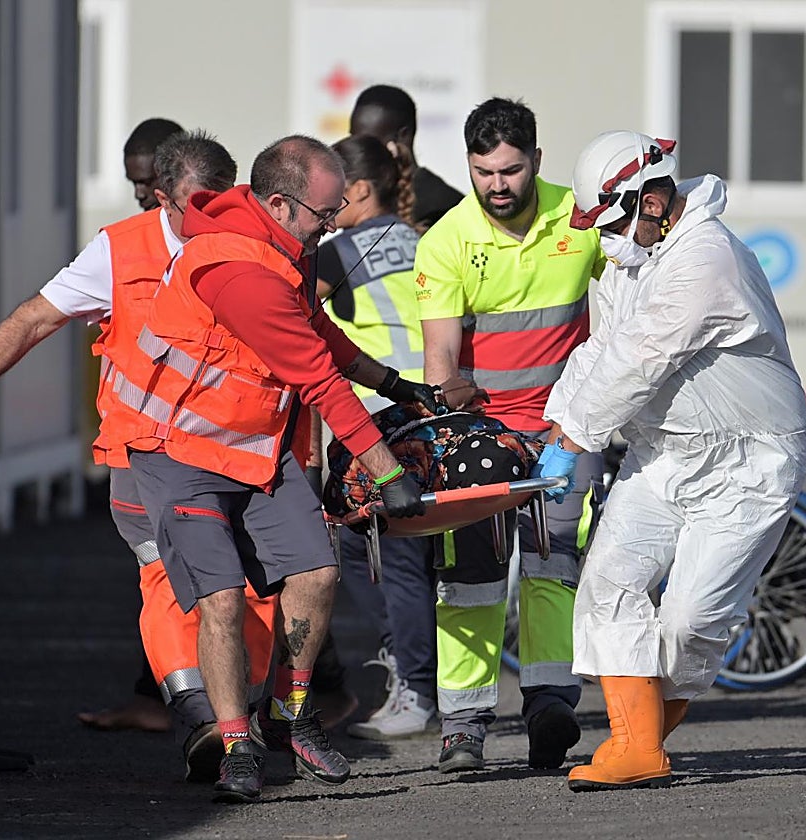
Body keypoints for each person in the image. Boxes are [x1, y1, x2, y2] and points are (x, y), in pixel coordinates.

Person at [0, 130, 278, 782]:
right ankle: (200, 713)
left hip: (243, 457)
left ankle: (237, 720)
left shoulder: (258, 244)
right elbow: (36, 316)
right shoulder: (121, 250)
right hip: (145, 455)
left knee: (254, 591)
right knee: (168, 581)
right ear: (164, 198)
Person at [118, 135, 437, 803]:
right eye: (325, 212)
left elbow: (312, 327)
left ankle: (290, 712)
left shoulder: (288, 240)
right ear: (279, 204)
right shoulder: (239, 270)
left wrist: (393, 383)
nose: (335, 221)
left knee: (318, 571)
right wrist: (387, 473)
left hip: (251, 444)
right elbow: (318, 380)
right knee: (223, 599)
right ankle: (237, 745)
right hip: (178, 449)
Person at [540, 130, 806, 791]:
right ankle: (636, 748)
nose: (607, 239)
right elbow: (602, 349)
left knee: (689, 619)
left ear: (652, 198)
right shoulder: (633, 257)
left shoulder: (706, 258)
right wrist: (554, 422)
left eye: (613, 221)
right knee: (610, 583)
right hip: (662, 456)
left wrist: (575, 437)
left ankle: (642, 738)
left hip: (749, 464)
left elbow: (644, 358)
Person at [413, 97, 606, 773]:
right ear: (468, 166)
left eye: (512, 170)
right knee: (469, 574)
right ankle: (463, 724)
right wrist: (454, 414)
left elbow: (621, 314)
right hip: (481, 437)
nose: (499, 184)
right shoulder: (445, 242)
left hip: (566, 429)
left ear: (538, 162)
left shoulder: (583, 222)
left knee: (554, 562)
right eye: (484, 171)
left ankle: (550, 702)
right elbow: (441, 364)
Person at [315, 135, 438, 740]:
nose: (328, 207)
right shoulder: (429, 242)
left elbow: (298, 325)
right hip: (438, 413)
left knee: (383, 565)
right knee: (427, 562)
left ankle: (413, 687)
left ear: (359, 189)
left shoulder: (338, 254)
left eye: (335, 192)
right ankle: (430, 686)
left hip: (373, 422)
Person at [350, 84, 463, 231]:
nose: (357, 150)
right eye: (353, 139)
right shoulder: (361, 199)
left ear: (404, 136)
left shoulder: (443, 208)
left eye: (369, 143)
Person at [124, 117, 183, 210]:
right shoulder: (143, 223)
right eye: (134, 183)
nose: (139, 194)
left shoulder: (211, 222)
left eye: (147, 182)